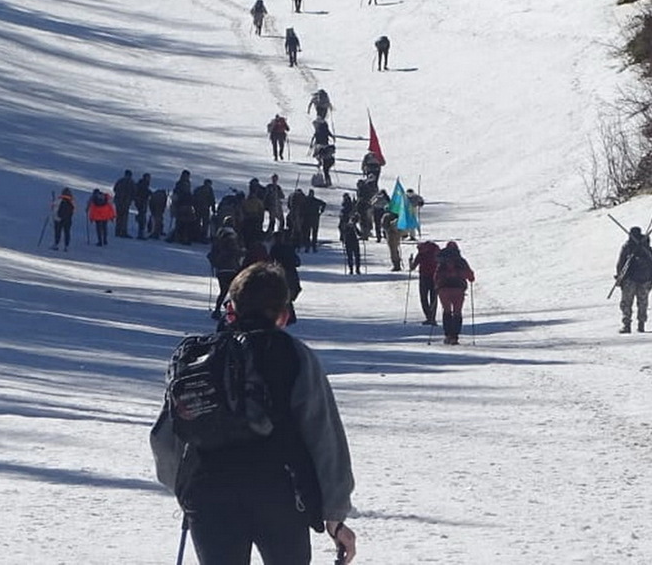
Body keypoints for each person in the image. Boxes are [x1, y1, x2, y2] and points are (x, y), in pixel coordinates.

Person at [151, 263, 358, 565]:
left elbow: (166, 436)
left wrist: (184, 489)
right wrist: (335, 515)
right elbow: (324, 435)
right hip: (280, 494)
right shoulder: (293, 354)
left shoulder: (197, 359)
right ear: (284, 314)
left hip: (208, 492)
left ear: (231, 308)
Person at [616, 226, 652, 333]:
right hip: (645, 279)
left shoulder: (627, 247)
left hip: (630, 279)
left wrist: (619, 277)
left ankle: (627, 325)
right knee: (643, 302)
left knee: (627, 302)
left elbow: (621, 263)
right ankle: (641, 324)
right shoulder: (646, 247)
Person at [433, 241, 475, 345]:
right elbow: (470, 276)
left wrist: (437, 285)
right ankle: (454, 336)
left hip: (444, 290)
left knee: (446, 311)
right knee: (457, 312)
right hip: (458, 289)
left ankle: (448, 335)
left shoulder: (441, 262)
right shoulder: (461, 261)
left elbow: (436, 277)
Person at [207, 217, 243, 317]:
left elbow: (211, 254)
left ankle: (217, 310)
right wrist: (242, 253)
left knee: (223, 290)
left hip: (220, 269)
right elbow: (234, 252)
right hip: (232, 268)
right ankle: (232, 310)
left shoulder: (218, 238)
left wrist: (215, 262)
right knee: (235, 291)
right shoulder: (233, 238)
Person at [408, 240, 440, 324]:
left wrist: (410, 261)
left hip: (424, 277)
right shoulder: (436, 252)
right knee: (433, 298)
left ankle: (429, 317)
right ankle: (432, 317)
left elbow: (412, 267)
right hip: (435, 277)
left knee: (424, 298)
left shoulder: (421, 254)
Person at [113, 170, 138, 238]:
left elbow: (114, 189)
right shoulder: (131, 182)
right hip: (125, 202)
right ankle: (123, 231)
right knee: (124, 217)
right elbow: (134, 191)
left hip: (118, 201)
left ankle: (117, 231)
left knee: (119, 216)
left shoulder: (120, 181)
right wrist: (131, 198)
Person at [135, 173, 153, 239]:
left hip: (141, 202)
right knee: (142, 218)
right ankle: (140, 234)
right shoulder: (143, 184)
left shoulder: (142, 184)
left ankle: (141, 233)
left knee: (142, 216)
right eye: (148, 178)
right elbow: (145, 192)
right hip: (141, 202)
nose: (149, 179)